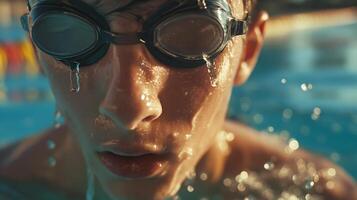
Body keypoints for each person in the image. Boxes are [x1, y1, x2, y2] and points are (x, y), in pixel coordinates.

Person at [0, 0, 356, 199]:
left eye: (191, 35)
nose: (129, 108)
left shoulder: (313, 193)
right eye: (68, 33)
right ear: (36, 45)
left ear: (248, 49)